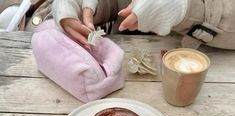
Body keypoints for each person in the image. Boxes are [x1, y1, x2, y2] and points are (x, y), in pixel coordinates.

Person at [52, 0, 235, 50]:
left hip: (212, 80)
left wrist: (189, 10)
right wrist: (85, 5)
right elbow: (121, 5)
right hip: (122, 66)